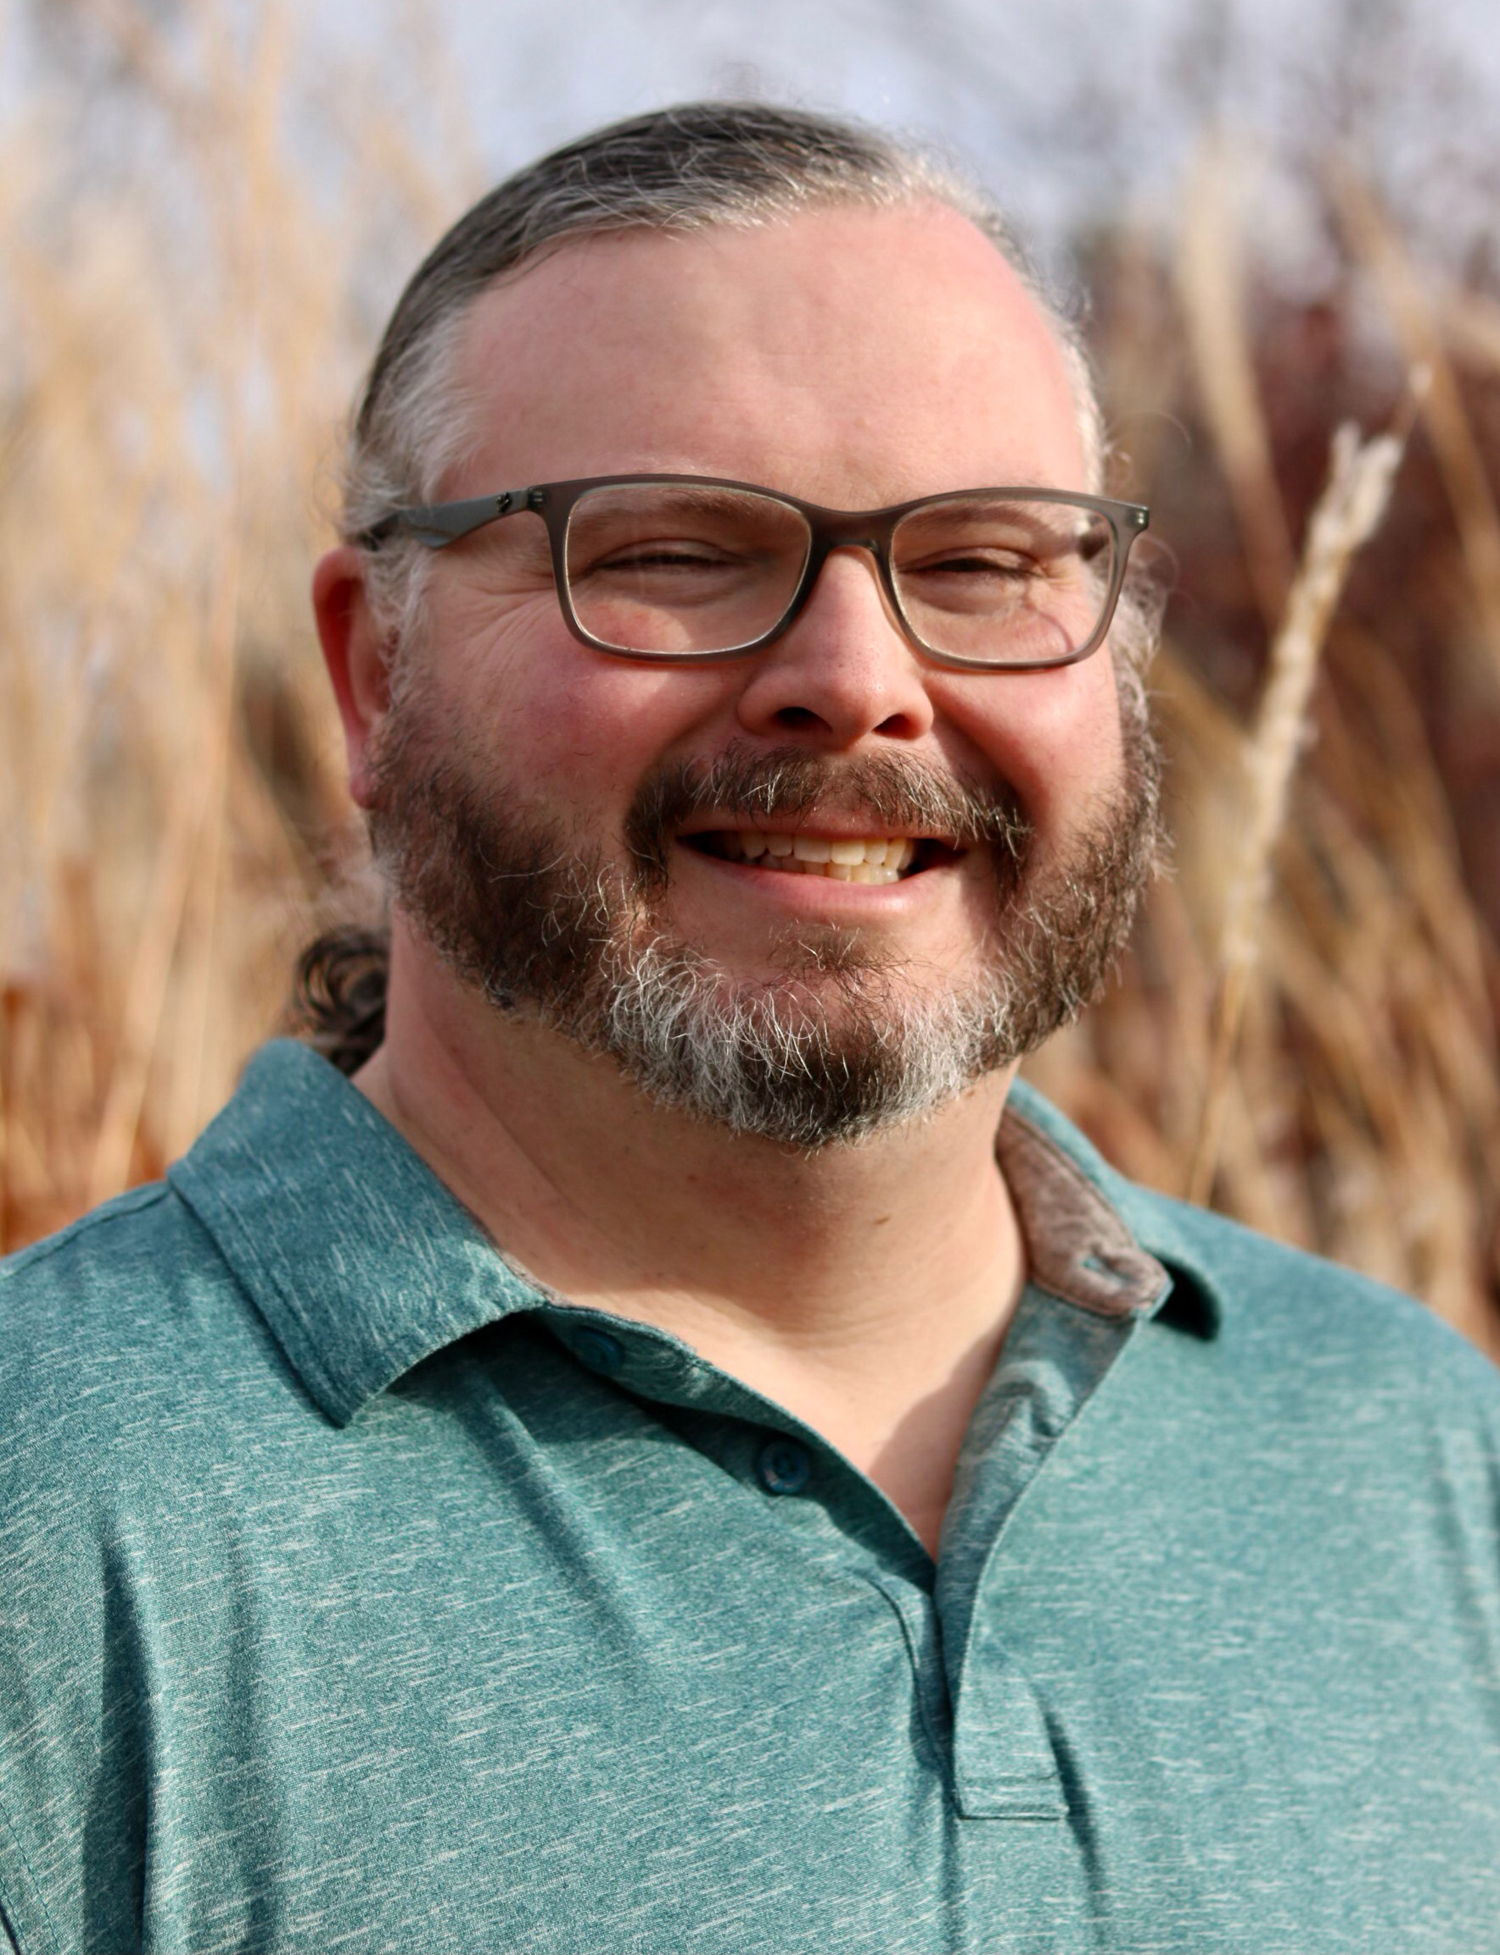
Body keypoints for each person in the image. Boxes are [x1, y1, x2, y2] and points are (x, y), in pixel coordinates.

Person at [2, 103, 1497, 1955]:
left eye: (979, 564)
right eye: (677, 553)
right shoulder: (48, 1517)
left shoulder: (1416, 1455)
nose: (858, 684)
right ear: (374, 677)